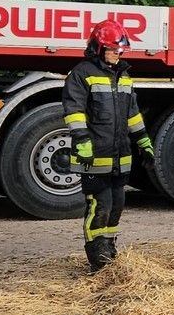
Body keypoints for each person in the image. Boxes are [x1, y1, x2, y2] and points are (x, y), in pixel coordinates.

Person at [63, 19, 156, 274]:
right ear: (98, 48)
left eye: (120, 50)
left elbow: (133, 115)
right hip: (94, 156)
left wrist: (144, 142)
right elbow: (74, 110)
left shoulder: (124, 77)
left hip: (119, 156)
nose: (118, 54)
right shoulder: (82, 74)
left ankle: (109, 248)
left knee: (117, 204)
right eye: (113, 49)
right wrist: (81, 140)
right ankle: (96, 254)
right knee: (99, 204)